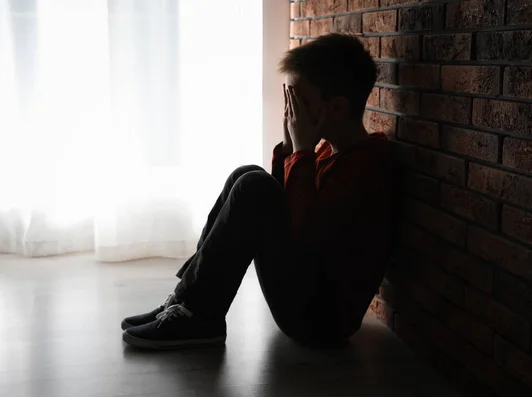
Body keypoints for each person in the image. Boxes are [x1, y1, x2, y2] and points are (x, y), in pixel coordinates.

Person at [121, 33, 393, 349]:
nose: (292, 113)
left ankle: (199, 314)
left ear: (336, 108)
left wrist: (301, 150)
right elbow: (285, 205)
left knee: (254, 186)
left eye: (299, 102)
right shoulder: (326, 152)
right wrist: (292, 147)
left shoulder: (367, 164)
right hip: (305, 294)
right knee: (248, 175)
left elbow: (306, 236)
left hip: (321, 320)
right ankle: (188, 302)